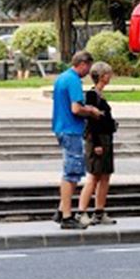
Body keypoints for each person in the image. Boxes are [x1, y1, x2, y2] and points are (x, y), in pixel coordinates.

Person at [51, 50, 94, 228]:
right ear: (82, 64)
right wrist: (91, 111)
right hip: (71, 129)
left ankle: (62, 210)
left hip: (62, 127)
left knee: (72, 170)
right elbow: (76, 109)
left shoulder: (62, 78)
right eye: (88, 67)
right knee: (71, 173)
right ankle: (67, 217)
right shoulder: (74, 80)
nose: (89, 72)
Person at [76, 60, 118, 225]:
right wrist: (97, 144)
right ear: (102, 76)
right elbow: (92, 121)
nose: (110, 77)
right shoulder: (92, 95)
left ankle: (99, 211)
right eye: (108, 74)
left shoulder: (99, 95)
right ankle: (82, 211)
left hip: (105, 137)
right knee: (94, 176)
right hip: (97, 139)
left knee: (105, 175)